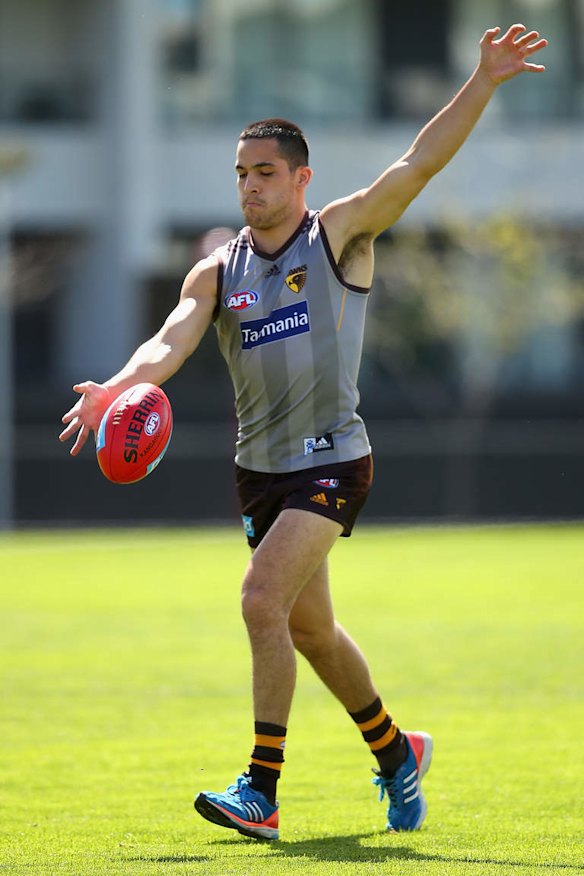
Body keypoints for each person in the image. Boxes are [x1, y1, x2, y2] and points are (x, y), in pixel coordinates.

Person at [60, 24, 547, 840]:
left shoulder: (338, 237)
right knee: (309, 629)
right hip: (262, 472)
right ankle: (397, 752)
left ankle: (262, 788)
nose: (249, 187)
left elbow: (417, 164)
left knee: (258, 600)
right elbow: (172, 338)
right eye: (241, 174)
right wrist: (117, 386)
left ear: (301, 178)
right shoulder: (218, 269)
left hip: (333, 458)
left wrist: (484, 80)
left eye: (265, 173)